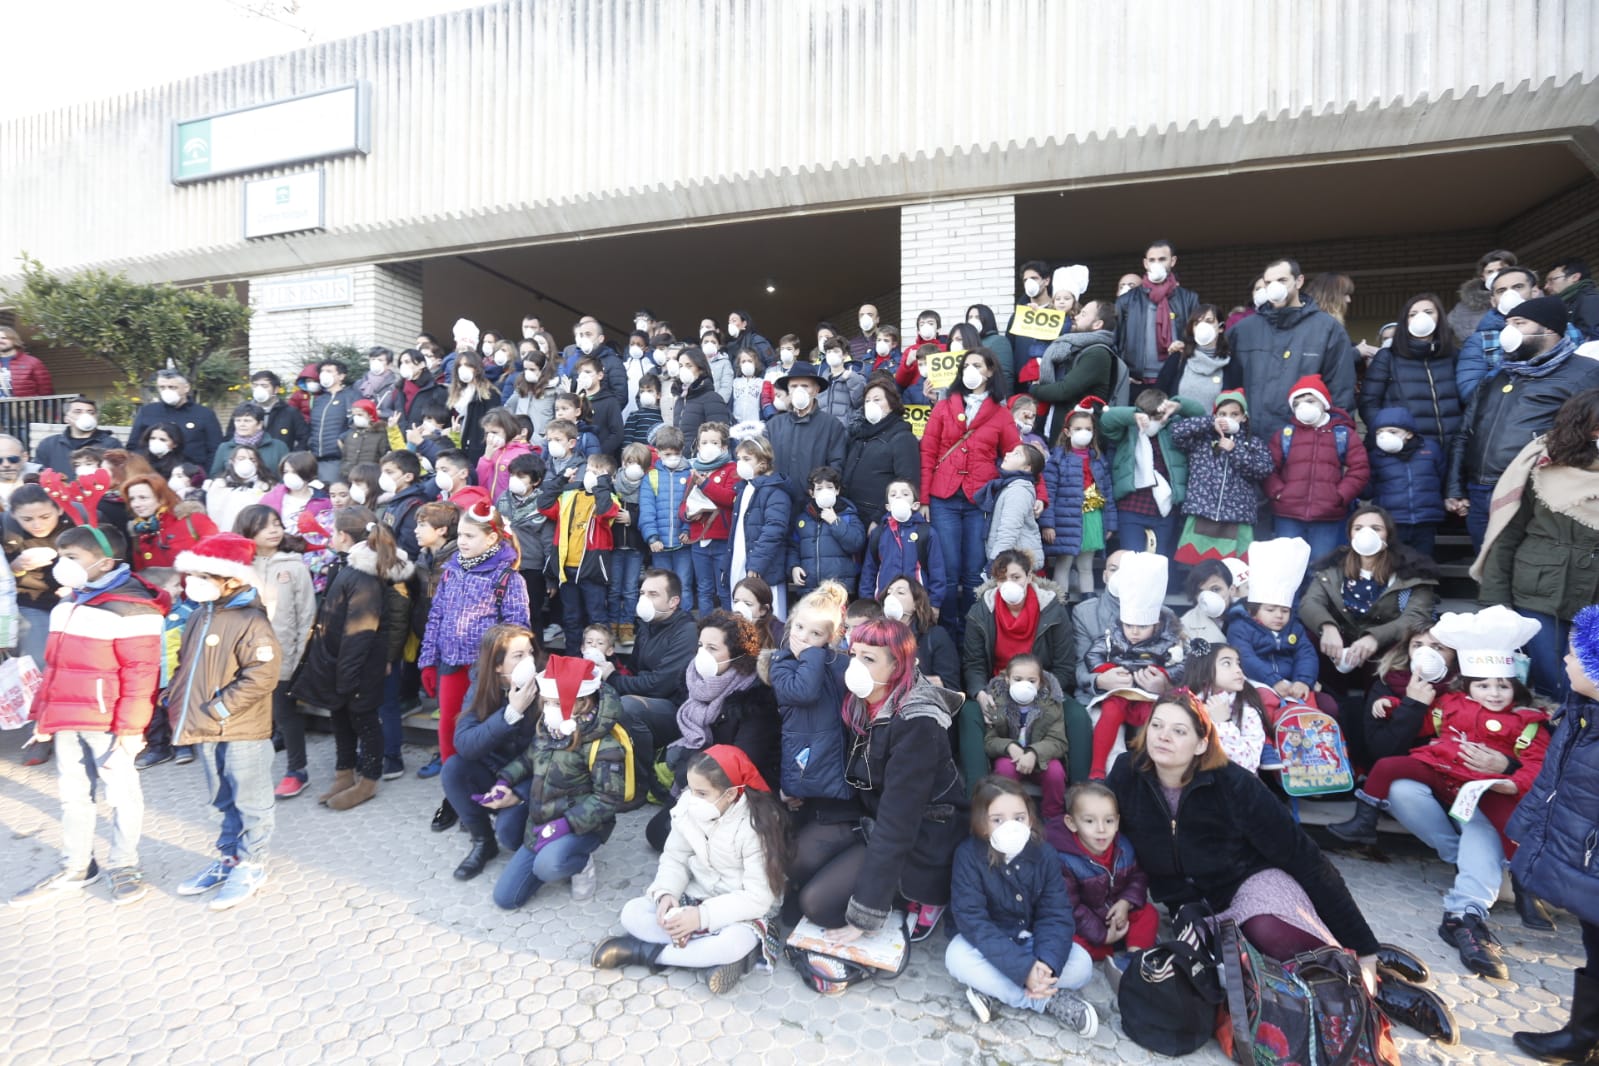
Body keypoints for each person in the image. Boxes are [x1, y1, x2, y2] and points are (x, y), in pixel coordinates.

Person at [1330, 607, 1549, 982]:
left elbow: (1538, 766)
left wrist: (1507, 772)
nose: (1493, 693)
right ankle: (1456, 858)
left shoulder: (1527, 721)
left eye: (1502, 685)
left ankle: (1472, 908)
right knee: (1397, 782)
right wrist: (1404, 704)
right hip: (1440, 774)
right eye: (1484, 685)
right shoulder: (1439, 700)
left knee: (1488, 819)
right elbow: (1392, 745)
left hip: (1486, 792)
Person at [7, 523, 165, 908]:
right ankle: (77, 865)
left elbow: (142, 674)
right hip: (66, 721)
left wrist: (131, 729)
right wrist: (43, 718)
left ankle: (124, 864)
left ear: (105, 561)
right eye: (61, 557)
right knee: (73, 797)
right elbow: (56, 667)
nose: (63, 565)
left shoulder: (132, 608)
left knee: (122, 796)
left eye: (72, 558)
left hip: (108, 723)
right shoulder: (69, 603)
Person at [789, 618, 967, 943]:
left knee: (816, 905)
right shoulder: (862, 698)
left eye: (869, 659)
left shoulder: (918, 723)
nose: (856, 666)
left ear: (897, 665)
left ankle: (914, 895)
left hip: (919, 834)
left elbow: (899, 822)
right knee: (797, 861)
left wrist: (864, 916)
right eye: (854, 654)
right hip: (869, 814)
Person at [593, 745, 787, 993]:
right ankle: (706, 957)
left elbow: (758, 898)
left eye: (702, 793)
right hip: (696, 897)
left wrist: (700, 918)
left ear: (729, 795)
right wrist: (666, 894)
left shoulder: (757, 824)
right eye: (690, 789)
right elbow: (675, 858)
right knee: (633, 912)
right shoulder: (688, 807)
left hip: (741, 912)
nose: (692, 798)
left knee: (732, 943)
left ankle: (643, 952)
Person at [167, 532, 281, 910]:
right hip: (206, 728)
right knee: (223, 797)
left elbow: (262, 675)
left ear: (231, 578)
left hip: (240, 728)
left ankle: (252, 863)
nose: (193, 582)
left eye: (204, 575)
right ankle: (229, 857)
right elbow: (187, 664)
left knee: (251, 799)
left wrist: (220, 708)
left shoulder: (251, 620)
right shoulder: (201, 614)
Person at [1507, 603, 1599, 1062]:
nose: (1565, 661)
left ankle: (1584, 1037)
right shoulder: (1583, 711)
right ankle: (1585, 1034)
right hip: (1583, 857)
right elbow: (1554, 783)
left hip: (1593, 857)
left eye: (1576, 656)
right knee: (1594, 940)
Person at [946, 776, 1097, 1035]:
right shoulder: (969, 855)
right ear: (981, 824)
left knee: (1082, 965)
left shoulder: (1044, 854)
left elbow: (1056, 913)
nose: (1011, 827)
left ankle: (995, 990)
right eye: (997, 820)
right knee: (955, 957)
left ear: (1030, 818)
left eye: (1019, 818)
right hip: (989, 947)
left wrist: (1046, 963)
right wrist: (1023, 970)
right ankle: (1047, 1001)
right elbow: (973, 921)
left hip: (1032, 943)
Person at [477, 654, 628, 909]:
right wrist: (503, 781)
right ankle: (548, 856)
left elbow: (608, 799)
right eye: (546, 702)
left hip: (582, 826)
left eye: (556, 703)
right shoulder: (551, 727)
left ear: (581, 702)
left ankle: (580, 864)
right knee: (506, 899)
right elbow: (528, 759)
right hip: (542, 820)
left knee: (549, 866)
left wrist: (566, 825)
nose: (548, 709)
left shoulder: (605, 745)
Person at [1476, 388, 1599, 701]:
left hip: (1594, 601)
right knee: (1555, 689)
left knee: (1590, 689)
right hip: (1539, 596)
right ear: (1584, 427)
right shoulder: (1540, 464)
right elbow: (1507, 534)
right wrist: (1495, 602)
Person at [1449, 296, 1599, 548]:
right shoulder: (1496, 377)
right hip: (1480, 492)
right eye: (1508, 323)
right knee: (1486, 574)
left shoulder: (1584, 373)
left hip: (1534, 492)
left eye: (1520, 323)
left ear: (1549, 328)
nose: (1509, 331)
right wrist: (1455, 487)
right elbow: (1465, 433)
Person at [290, 508, 412, 812]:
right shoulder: (348, 567)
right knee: (340, 718)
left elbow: (359, 632)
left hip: (357, 666)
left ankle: (368, 780)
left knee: (364, 720)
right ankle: (344, 773)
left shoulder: (364, 578)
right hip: (340, 663)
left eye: (333, 532)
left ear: (343, 536)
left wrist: (346, 675)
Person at [417, 496, 531, 821]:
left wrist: (510, 672)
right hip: (451, 664)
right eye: (460, 536)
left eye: (469, 536)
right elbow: (436, 615)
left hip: (486, 673)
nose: (461, 542)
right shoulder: (451, 572)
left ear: (492, 538)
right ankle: (456, 797)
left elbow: (517, 631)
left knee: (482, 735)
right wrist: (428, 659)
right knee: (448, 730)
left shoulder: (508, 579)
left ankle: (492, 793)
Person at [962, 551, 1087, 786]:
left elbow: (1064, 664)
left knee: (1078, 716)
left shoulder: (1053, 610)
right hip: (997, 688)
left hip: (1042, 686)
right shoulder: (981, 612)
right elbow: (973, 664)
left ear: (1030, 577)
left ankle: (1081, 793)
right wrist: (980, 693)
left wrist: (1044, 692)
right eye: (1001, 578)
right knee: (969, 713)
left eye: (1016, 577)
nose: (1009, 584)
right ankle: (977, 797)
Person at [921, 346, 1019, 626]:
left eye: (977, 366)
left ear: (990, 372)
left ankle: (973, 636)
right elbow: (927, 452)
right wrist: (925, 499)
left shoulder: (1001, 414)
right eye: (966, 366)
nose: (970, 371)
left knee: (975, 572)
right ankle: (949, 635)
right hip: (944, 498)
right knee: (948, 571)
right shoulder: (943, 406)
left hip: (979, 500)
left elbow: (1018, 456)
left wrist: (1041, 496)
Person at [440, 624, 541, 881]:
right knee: (454, 768)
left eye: (530, 653)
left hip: (531, 780)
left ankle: (529, 830)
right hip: (495, 773)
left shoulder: (545, 689)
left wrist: (517, 793)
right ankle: (483, 842)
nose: (528, 661)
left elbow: (553, 757)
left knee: (510, 834)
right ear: (497, 665)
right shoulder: (482, 687)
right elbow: (464, 743)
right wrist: (511, 713)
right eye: (518, 656)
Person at [1301, 505, 1440, 689]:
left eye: (1376, 528)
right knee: (1310, 638)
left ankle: (1378, 706)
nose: (1366, 534)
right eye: (1358, 528)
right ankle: (1328, 702)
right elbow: (1309, 603)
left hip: (1383, 647)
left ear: (1388, 535)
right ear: (1350, 535)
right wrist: (1327, 627)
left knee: (1397, 649)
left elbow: (1416, 616)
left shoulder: (1412, 573)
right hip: (1340, 643)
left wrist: (1375, 638)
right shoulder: (1331, 569)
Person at [232, 506, 316, 799]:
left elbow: (307, 616)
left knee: (284, 714)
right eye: (264, 525)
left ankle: (297, 771)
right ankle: (251, 771)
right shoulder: (239, 568)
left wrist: (298, 659)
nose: (274, 529)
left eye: (277, 523)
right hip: (247, 657)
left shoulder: (294, 566)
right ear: (248, 531)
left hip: (283, 656)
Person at [1227, 257, 1358, 438]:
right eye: (1269, 282)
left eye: (1282, 280)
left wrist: (1335, 438)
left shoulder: (1326, 329)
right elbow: (1229, 387)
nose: (1275, 287)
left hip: (1305, 443)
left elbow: (1341, 391)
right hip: (1253, 445)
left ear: (1299, 281)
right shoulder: (1244, 331)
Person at [1084, 552, 1186, 778]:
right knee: (1109, 712)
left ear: (1156, 624)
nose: (1135, 632)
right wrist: (1106, 671)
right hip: (1121, 692)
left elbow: (1182, 665)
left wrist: (1163, 676)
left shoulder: (1169, 640)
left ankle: (1150, 771)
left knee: (1157, 721)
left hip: (1150, 696)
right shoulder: (1114, 636)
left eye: (1142, 626)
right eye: (1129, 625)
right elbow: (1092, 655)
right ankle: (1098, 768)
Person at [1045, 781, 1156, 970]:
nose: (1101, 829)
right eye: (1089, 821)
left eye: (1109, 820)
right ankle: (1109, 950)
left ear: (1117, 822)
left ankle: (1134, 957)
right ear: (1071, 823)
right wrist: (1102, 935)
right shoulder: (1063, 859)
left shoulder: (1123, 847)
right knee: (1065, 938)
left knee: (1148, 913)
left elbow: (1137, 877)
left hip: (1115, 912)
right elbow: (1070, 907)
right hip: (1085, 922)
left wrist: (1125, 903)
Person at [603, 568, 699, 786]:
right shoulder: (648, 624)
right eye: (642, 593)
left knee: (628, 708)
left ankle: (642, 783)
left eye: (653, 594)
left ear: (673, 601)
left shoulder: (687, 631)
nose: (644, 599)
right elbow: (635, 668)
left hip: (676, 710)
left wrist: (614, 678)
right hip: (649, 698)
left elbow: (660, 685)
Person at [1263, 374, 1370, 561]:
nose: (1304, 406)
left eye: (1310, 400)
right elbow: (1267, 468)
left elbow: (1359, 469)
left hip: (1328, 516)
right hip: (1288, 514)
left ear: (1323, 403)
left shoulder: (1343, 434)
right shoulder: (1284, 435)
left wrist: (1340, 496)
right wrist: (1279, 493)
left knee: (1322, 568)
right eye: (1297, 403)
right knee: (1288, 569)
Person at [1168, 389, 1273, 565]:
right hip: (1203, 510)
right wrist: (1210, 423)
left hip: (1237, 516)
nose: (1228, 418)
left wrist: (1235, 451)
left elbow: (1263, 469)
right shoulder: (1202, 439)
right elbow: (1176, 432)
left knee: (1234, 568)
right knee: (1199, 567)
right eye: (1222, 414)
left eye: (1234, 414)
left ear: (1244, 417)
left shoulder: (1253, 443)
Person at [1098, 389, 1204, 560]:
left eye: (1157, 417)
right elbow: (1106, 421)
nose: (1153, 422)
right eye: (1149, 417)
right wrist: (1133, 416)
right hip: (1131, 506)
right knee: (1131, 559)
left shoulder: (1174, 429)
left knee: (1159, 562)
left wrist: (1177, 405)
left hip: (1165, 508)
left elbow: (1199, 414)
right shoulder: (1128, 430)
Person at [537, 450, 619, 651]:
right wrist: (562, 480)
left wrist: (602, 485)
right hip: (567, 570)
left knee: (597, 617)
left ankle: (602, 660)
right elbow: (543, 504)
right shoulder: (570, 495)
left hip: (592, 571)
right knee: (571, 618)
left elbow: (605, 512)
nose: (591, 475)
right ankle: (573, 659)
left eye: (598, 472)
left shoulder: (610, 499)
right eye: (590, 470)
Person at [1359, 293, 1464, 448]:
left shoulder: (1453, 356)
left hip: (1450, 450)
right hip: (1405, 452)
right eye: (1413, 314)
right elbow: (1369, 404)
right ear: (1405, 321)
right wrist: (1389, 436)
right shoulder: (1388, 357)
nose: (1421, 318)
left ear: (1440, 317)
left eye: (1428, 312)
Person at [979, 653, 1070, 820]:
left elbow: (1058, 741)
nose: (1024, 685)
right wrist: (1010, 747)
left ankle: (1053, 818)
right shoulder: (997, 701)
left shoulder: (1051, 703)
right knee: (1004, 769)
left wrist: (1034, 753)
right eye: (1018, 679)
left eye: (1031, 681)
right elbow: (990, 741)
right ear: (1007, 680)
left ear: (1040, 682)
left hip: (1041, 759)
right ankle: (1010, 815)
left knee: (1055, 772)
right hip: (1011, 758)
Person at [1040, 403, 1116, 598]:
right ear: (1067, 431)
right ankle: (1060, 604)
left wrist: (1110, 524)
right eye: (1078, 429)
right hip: (1065, 520)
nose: (1084, 432)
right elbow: (1048, 493)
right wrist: (1048, 524)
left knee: (1086, 565)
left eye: (1088, 429)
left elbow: (1107, 492)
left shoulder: (1098, 459)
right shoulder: (1056, 459)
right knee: (1063, 564)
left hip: (1092, 518)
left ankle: (1088, 602)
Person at [1033, 300, 1123, 445]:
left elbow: (1064, 390)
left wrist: (1035, 388)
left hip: (1076, 440)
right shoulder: (1076, 348)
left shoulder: (1097, 353)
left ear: (1097, 324)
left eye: (1084, 314)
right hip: (1062, 432)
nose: (1076, 317)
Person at [1364, 407, 1448, 559]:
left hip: (1426, 519)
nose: (1384, 437)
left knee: (1423, 563)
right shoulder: (1375, 457)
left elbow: (1441, 478)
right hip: (1392, 521)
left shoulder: (1431, 450)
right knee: (1394, 564)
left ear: (1409, 433)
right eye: (1379, 433)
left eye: (1392, 431)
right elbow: (1367, 491)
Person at [1115, 239, 1199, 386]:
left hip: (1178, 375)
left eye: (1162, 259)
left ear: (1172, 261)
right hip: (1136, 379)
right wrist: (1121, 374)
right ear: (1145, 263)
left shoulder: (1189, 298)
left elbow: (1196, 338)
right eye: (1152, 260)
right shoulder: (1126, 301)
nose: (1156, 264)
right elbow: (1115, 341)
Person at [764, 362, 847, 508]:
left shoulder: (832, 425)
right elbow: (763, 464)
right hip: (777, 503)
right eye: (794, 386)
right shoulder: (773, 425)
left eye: (805, 386)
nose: (799, 390)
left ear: (816, 390)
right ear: (788, 390)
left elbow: (836, 466)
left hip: (813, 506)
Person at [841, 378, 920, 529]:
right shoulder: (860, 435)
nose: (871, 404)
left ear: (891, 404)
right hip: (853, 515)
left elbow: (907, 482)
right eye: (867, 401)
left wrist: (879, 519)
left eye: (877, 399)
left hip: (878, 519)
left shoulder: (902, 437)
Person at [727, 436, 791, 615]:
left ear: (762, 462)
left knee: (769, 618)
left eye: (747, 459)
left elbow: (774, 530)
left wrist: (756, 564)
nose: (741, 464)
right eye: (739, 459)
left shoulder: (775, 492)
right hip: (741, 562)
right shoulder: (744, 489)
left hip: (763, 568)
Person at [859, 479, 946, 610]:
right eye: (893, 495)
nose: (899, 496)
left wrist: (934, 604)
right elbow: (869, 571)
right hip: (883, 604)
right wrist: (867, 603)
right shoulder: (878, 533)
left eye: (905, 494)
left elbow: (937, 571)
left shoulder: (927, 532)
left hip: (917, 604)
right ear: (888, 506)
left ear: (915, 505)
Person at [788, 465, 865, 602]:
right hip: (810, 589)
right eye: (819, 488)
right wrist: (794, 566)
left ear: (837, 490)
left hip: (839, 590)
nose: (825, 491)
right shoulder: (803, 519)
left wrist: (835, 522)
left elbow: (856, 544)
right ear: (812, 493)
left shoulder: (848, 515)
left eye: (829, 487)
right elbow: (793, 546)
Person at [684, 423, 738, 613]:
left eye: (714, 442)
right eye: (704, 442)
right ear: (698, 446)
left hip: (722, 540)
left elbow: (730, 498)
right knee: (704, 590)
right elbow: (683, 506)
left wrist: (705, 484)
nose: (708, 446)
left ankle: (730, 631)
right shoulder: (694, 470)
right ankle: (705, 632)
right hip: (699, 541)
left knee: (724, 590)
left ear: (724, 447)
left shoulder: (732, 469)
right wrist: (689, 515)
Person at [640, 425, 695, 609]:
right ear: (658, 452)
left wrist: (687, 530)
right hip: (660, 546)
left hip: (683, 544)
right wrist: (652, 537)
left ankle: (684, 624)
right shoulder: (652, 477)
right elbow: (647, 510)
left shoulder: (690, 474)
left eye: (675, 453)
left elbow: (692, 505)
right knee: (661, 587)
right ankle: (664, 621)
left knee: (684, 586)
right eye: (666, 453)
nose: (671, 457)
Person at [1154, 303, 1240, 416]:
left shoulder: (1231, 363)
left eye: (1209, 321)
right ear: (1192, 329)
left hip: (1216, 431)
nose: (1202, 326)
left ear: (1221, 328)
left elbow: (1236, 403)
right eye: (1197, 323)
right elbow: (1158, 394)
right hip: (1179, 430)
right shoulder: (1179, 357)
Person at [128, 370, 223, 470]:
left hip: (191, 474)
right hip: (152, 472)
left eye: (172, 387)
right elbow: (133, 446)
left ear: (186, 388)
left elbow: (215, 449)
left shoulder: (205, 414)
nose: (166, 391)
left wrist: (207, 476)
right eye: (162, 387)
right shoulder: (147, 412)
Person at [124, 473, 218, 571]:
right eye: (132, 499)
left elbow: (219, 557)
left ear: (162, 499)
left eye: (143, 498)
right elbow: (143, 574)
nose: (136, 504)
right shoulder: (140, 532)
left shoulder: (194, 520)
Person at [880, 576, 957, 689]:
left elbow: (952, 688)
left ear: (916, 604)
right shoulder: (877, 636)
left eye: (900, 592)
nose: (891, 597)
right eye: (889, 592)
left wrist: (921, 682)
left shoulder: (936, 636)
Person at [979, 443, 1045, 571]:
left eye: (1017, 454)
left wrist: (996, 561)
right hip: (1011, 560)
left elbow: (1009, 530)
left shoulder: (1018, 491)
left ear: (1027, 468)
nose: (1008, 454)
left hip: (1015, 564)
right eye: (1011, 451)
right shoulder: (1010, 485)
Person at [35, 395, 121, 476]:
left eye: (91, 412)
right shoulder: (48, 445)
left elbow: (119, 474)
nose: (85, 415)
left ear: (96, 417)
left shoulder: (111, 444)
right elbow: (40, 474)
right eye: (78, 411)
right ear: (66, 418)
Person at [1446, 249, 1516, 344]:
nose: (1496, 275)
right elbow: (1443, 332)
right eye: (1490, 272)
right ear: (1482, 277)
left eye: (1501, 270)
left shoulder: (1531, 297)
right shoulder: (1462, 309)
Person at [204, 443, 273, 533]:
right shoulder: (219, 485)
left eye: (252, 460)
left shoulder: (266, 487)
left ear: (258, 463)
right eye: (241, 458)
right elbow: (214, 512)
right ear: (232, 461)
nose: (247, 462)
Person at [448, 352, 499, 461]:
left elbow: (493, 424)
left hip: (476, 449)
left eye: (467, 365)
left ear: (477, 368)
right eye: (459, 366)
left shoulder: (489, 394)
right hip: (456, 443)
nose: (463, 369)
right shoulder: (455, 393)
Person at [1547, 257, 1599, 340]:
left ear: (1575, 277)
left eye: (1552, 280)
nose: (1546, 286)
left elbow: (1595, 338)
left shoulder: (1590, 300)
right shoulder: (1569, 302)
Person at [0, 325, 55, 397]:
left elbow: (46, 391)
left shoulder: (33, 362)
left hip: (25, 407)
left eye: (4, 338)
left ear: (14, 340)